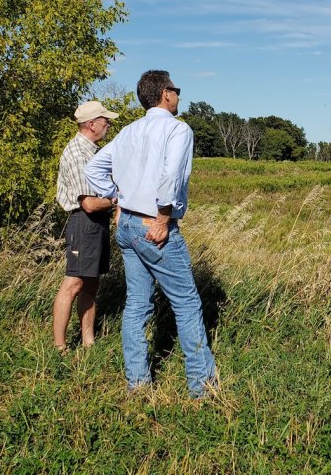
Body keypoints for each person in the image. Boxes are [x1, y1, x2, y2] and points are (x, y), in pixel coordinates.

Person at [85, 70, 217, 399]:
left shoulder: (129, 131)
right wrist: (161, 219)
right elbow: (171, 177)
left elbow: (94, 168)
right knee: (186, 304)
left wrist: (118, 198)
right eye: (176, 89)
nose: (179, 94)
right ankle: (202, 387)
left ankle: (137, 383)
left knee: (136, 306)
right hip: (152, 226)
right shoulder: (178, 129)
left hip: (128, 224)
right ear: (164, 94)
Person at [53, 100, 119, 355]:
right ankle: (59, 347)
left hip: (95, 224)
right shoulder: (78, 153)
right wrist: (120, 198)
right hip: (85, 222)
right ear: (92, 124)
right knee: (73, 284)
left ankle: (88, 342)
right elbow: (89, 203)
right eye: (105, 121)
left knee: (90, 285)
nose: (108, 125)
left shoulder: (91, 150)